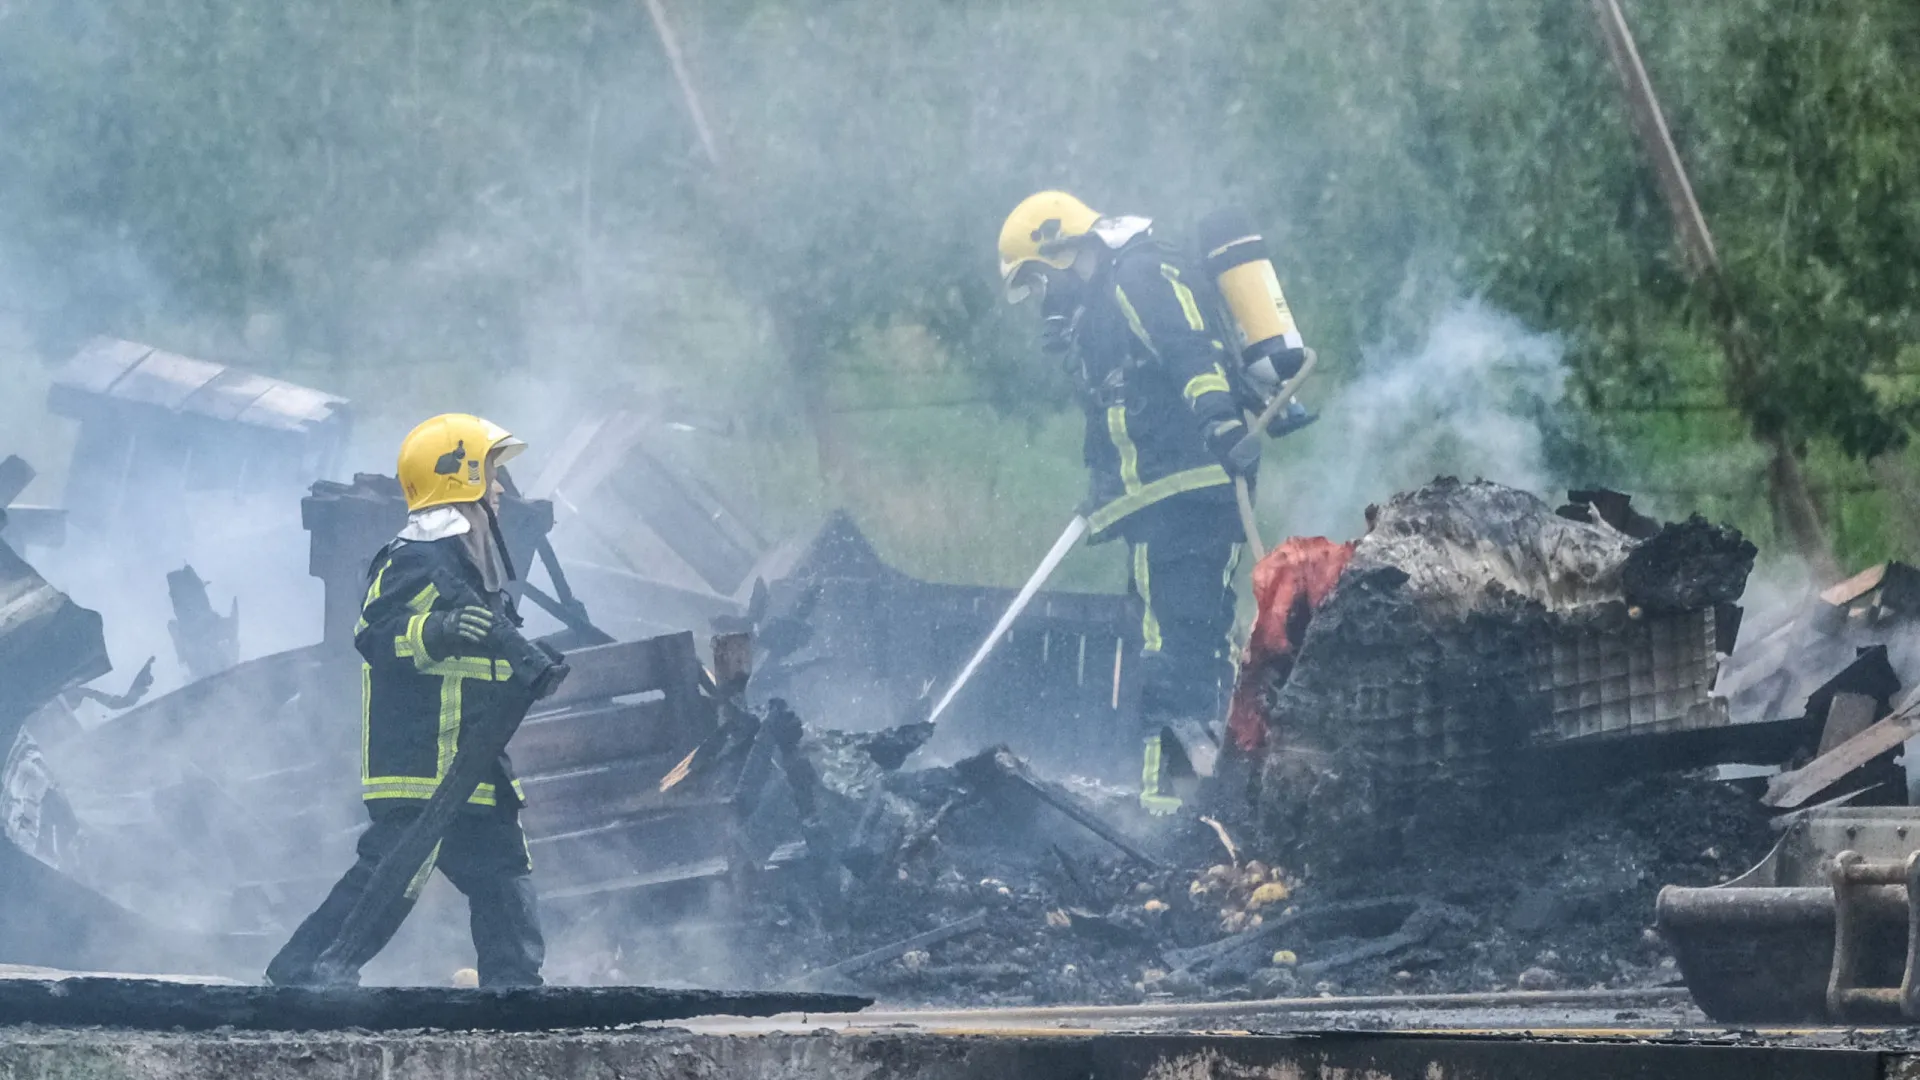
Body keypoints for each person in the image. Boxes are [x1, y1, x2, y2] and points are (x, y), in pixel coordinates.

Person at [997, 191, 1300, 814]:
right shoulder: (1105, 301)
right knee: (1187, 645)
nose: (1042, 300)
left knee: (1176, 652)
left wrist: (1220, 424)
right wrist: (1104, 483)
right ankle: (1205, 800)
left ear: (1058, 250)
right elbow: (1126, 408)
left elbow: (1189, 350)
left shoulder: (1136, 276)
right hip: (1161, 503)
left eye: (1036, 281)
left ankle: (1173, 810)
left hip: (1185, 497)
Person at [266, 413, 565, 987]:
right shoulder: (412, 559)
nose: (500, 490)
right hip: (420, 763)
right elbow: (375, 636)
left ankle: (514, 990)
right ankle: (302, 972)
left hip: (475, 761)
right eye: (490, 474)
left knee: (504, 871)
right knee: (393, 873)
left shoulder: (474, 572)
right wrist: (439, 628)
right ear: (458, 479)